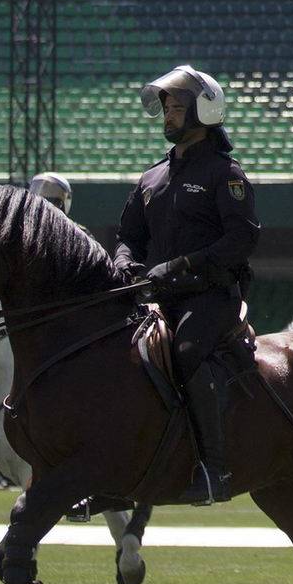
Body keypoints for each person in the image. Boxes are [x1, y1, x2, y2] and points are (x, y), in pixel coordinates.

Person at [114, 65, 259, 505]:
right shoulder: (151, 178)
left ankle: (215, 471)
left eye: (178, 108)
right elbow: (128, 237)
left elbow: (241, 239)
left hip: (210, 297)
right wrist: (125, 264)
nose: (168, 117)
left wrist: (178, 266)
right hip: (156, 298)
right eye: (166, 109)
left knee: (186, 352)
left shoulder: (224, 173)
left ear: (203, 112)